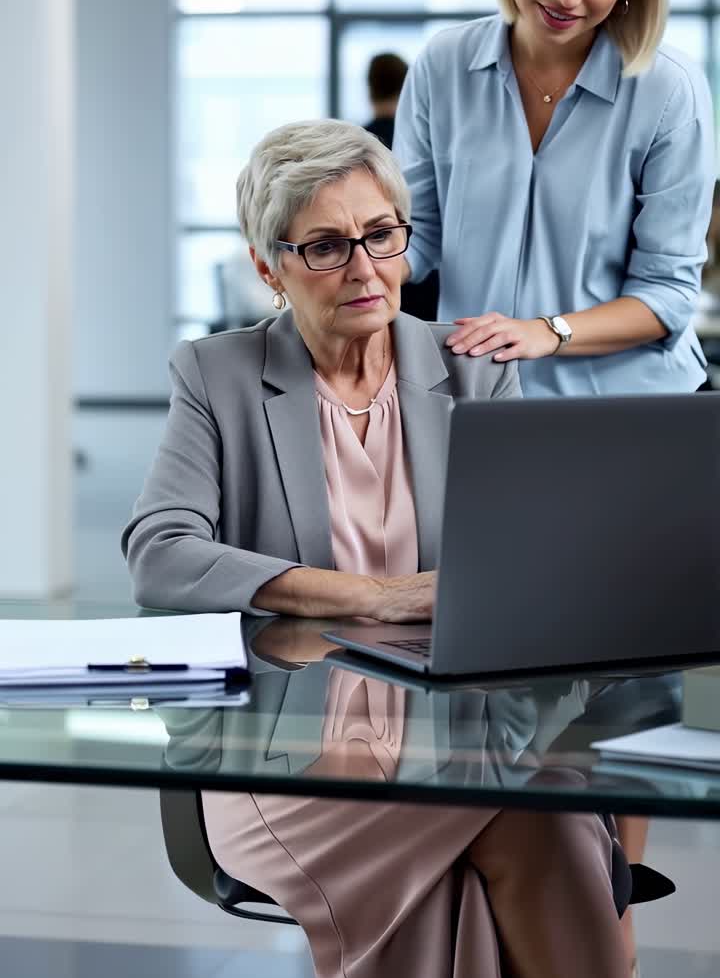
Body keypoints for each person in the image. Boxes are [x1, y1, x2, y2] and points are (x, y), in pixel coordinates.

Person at [122, 118, 520, 619]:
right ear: (269, 268)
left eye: (380, 235)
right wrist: (377, 598)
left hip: (445, 687)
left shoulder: (476, 369)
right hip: (290, 681)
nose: (364, 269)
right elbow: (160, 555)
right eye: (326, 247)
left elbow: (526, 551)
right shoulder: (215, 376)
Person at [161, 618, 643, 978]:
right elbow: (165, 566)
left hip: (452, 749)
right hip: (277, 779)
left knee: (540, 813)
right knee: (544, 810)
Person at [392, 0, 716, 397]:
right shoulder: (442, 67)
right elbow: (415, 237)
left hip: (629, 405)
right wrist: (336, 263)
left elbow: (667, 295)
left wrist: (548, 332)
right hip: (478, 393)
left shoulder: (669, 91)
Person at [365, 51, 440, 322]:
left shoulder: (358, 150)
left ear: (370, 90)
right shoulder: (430, 143)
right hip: (429, 281)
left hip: (373, 275)